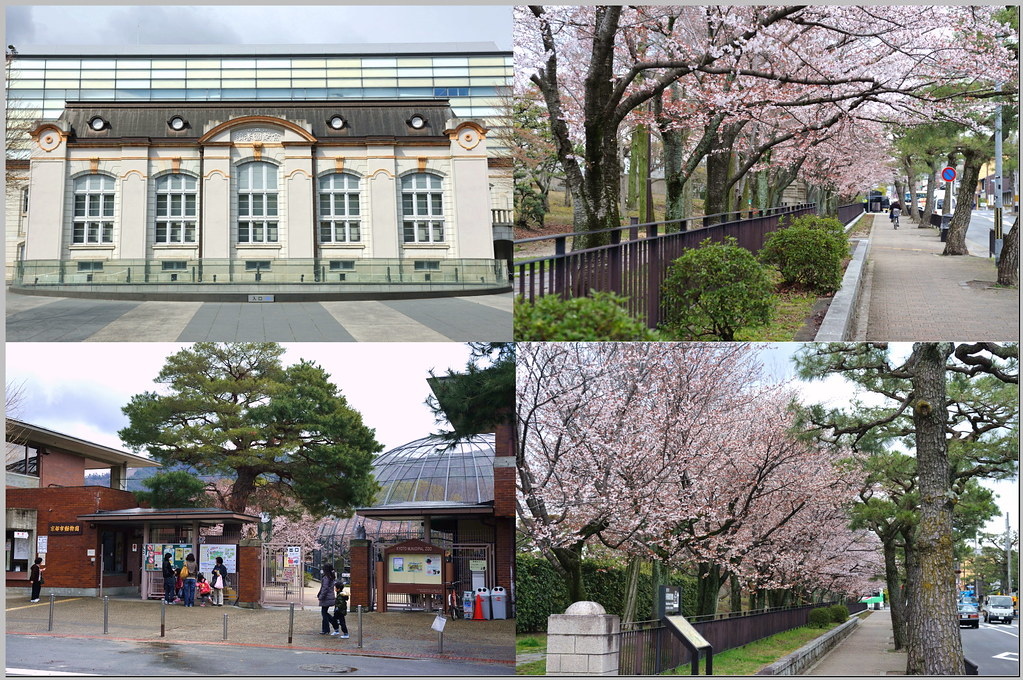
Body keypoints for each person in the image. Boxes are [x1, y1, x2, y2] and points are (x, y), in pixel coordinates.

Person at [317, 564, 341, 636]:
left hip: (326, 597)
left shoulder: (326, 578)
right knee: (324, 612)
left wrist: (321, 596)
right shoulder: (331, 577)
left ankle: (328, 627)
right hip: (330, 596)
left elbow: (324, 588)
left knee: (324, 613)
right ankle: (328, 627)